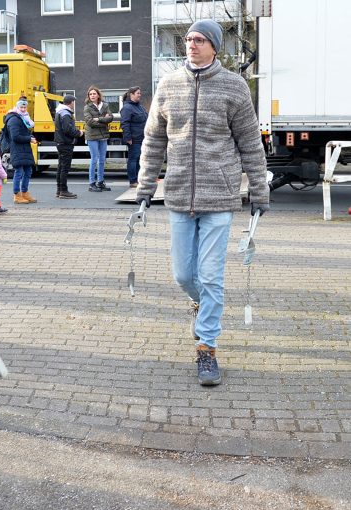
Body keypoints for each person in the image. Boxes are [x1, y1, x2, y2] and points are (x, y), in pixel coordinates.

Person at [135, 19, 269, 386]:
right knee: (183, 274)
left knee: (211, 276)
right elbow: (153, 143)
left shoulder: (233, 86)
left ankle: (207, 349)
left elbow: (250, 144)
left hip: (220, 194)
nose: (191, 44)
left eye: (198, 39)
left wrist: (259, 190)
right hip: (178, 193)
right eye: (188, 39)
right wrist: (145, 188)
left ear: (213, 45)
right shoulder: (168, 85)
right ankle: (199, 305)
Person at [4, 97, 38, 204]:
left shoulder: (23, 118)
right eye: (21, 107)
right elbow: (15, 136)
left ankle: (25, 192)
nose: (23, 109)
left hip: (24, 148)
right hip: (18, 149)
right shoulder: (14, 119)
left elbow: (23, 133)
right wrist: (29, 138)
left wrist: (30, 136)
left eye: (25, 107)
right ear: (17, 107)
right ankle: (17, 195)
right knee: (18, 172)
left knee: (28, 171)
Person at [83, 85, 113, 192]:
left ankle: (100, 182)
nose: (92, 95)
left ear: (98, 95)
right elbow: (90, 122)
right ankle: (92, 183)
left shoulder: (105, 105)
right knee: (94, 159)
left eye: (94, 94)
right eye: (90, 94)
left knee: (102, 160)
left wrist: (99, 119)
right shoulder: (87, 107)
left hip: (103, 136)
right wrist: (103, 121)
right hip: (92, 136)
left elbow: (110, 117)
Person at [53, 94, 83, 199]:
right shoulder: (65, 114)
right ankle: (64, 191)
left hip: (61, 142)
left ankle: (59, 190)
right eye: (74, 102)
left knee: (61, 167)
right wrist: (79, 133)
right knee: (64, 168)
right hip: (65, 143)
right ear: (71, 102)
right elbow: (67, 129)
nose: (74, 104)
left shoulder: (60, 112)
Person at [120, 86, 148, 189]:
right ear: (132, 95)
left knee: (140, 160)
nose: (140, 95)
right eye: (138, 93)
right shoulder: (127, 108)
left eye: (140, 93)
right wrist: (128, 138)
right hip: (134, 138)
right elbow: (124, 123)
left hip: (142, 137)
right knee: (133, 159)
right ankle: (133, 181)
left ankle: (138, 179)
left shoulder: (139, 106)